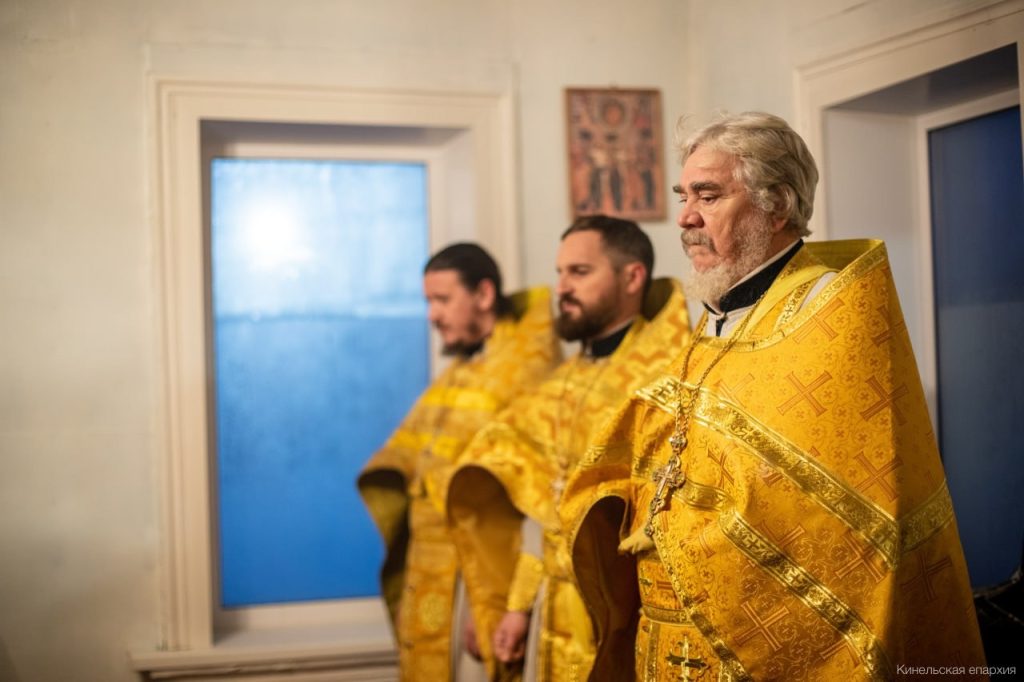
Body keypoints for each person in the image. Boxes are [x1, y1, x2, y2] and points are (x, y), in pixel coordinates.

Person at [561, 112, 987, 680]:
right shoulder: (719, 314)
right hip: (663, 638)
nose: (685, 217)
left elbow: (830, 514)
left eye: (708, 196)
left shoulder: (829, 312)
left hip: (754, 646)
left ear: (777, 205)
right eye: (684, 196)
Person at [446, 216, 691, 681]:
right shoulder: (560, 383)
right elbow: (545, 512)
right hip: (554, 611)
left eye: (579, 272)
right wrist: (519, 605)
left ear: (632, 277)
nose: (562, 287)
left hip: (626, 615)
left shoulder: (664, 380)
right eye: (560, 273)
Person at [358, 243, 561, 682]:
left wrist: (498, 604)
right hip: (431, 572)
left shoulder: (522, 374)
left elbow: (536, 504)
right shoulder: (462, 370)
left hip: (479, 584)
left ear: (484, 295)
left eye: (443, 299)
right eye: (429, 301)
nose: (432, 315)